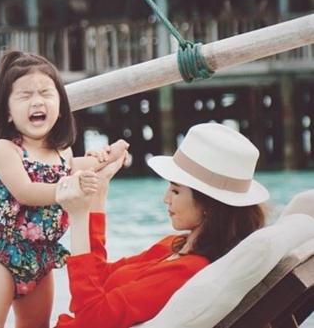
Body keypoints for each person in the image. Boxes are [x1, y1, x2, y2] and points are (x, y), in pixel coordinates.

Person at [0, 51, 129, 328]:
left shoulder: (62, 152)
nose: (37, 101)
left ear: (61, 107)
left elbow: (81, 166)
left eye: (45, 93)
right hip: (1, 254)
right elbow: (26, 191)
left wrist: (110, 155)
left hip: (41, 257)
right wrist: (68, 190)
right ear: (7, 112)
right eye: (25, 96)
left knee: (36, 325)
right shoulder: (5, 149)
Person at [54, 122, 269, 328]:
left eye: (175, 191)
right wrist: (99, 190)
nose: (166, 198)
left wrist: (79, 216)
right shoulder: (177, 245)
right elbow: (99, 277)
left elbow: (91, 321)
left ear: (209, 205)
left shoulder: (187, 271)